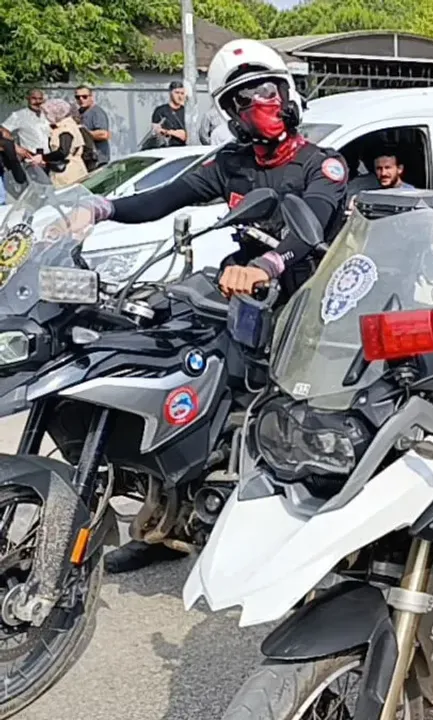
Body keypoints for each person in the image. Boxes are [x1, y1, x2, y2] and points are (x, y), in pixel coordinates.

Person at [82, 39, 350, 574]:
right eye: (241, 99)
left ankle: (309, 536)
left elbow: (313, 226)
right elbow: (166, 196)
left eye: (266, 91)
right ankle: (164, 521)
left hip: (307, 301)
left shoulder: (325, 165)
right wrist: (98, 207)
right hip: (242, 296)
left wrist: (266, 266)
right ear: (229, 114)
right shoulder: (231, 164)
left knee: (291, 416)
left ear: (288, 92)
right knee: (181, 386)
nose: (258, 105)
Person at [31, 99, 89, 187]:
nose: (46, 117)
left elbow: (63, 152)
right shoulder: (67, 126)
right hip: (69, 168)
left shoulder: (65, 129)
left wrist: (43, 157)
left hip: (68, 172)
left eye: (47, 114)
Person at [1, 89, 49, 163]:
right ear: (28, 98)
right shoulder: (19, 115)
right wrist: (16, 147)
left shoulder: (48, 115)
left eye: (40, 99)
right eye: (34, 98)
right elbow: (3, 131)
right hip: (30, 158)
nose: (37, 102)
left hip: (47, 158)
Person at [75, 85, 111, 167]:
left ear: (91, 97)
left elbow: (104, 134)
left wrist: (82, 134)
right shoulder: (79, 112)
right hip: (85, 159)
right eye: (78, 97)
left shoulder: (97, 112)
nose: (81, 99)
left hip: (97, 159)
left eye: (84, 96)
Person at [149, 80, 189, 147]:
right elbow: (155, 132)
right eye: (177, 93)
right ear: (170, 93)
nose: (179, 96)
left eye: (182, 93)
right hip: (165, 148)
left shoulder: (186, 111)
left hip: (182, 149)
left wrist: (168, 132)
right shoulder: (160, 111)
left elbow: (185, 135)